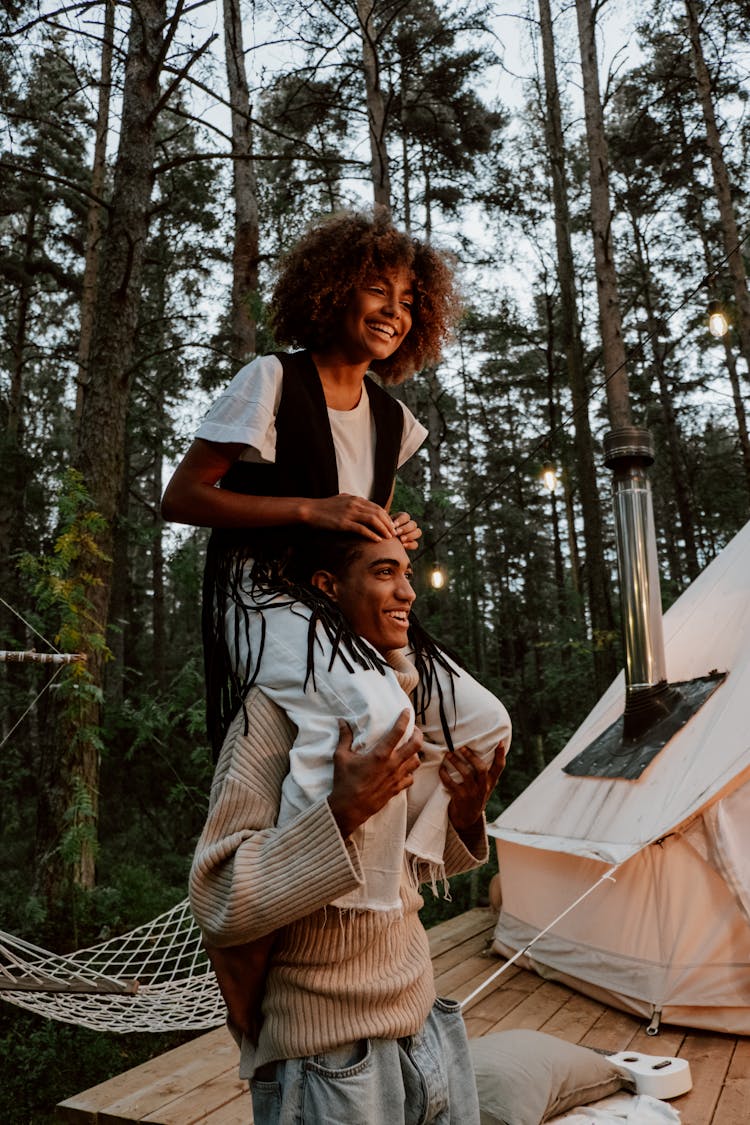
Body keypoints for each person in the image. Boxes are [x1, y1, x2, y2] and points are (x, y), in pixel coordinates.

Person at [189, 538, 507, 1124]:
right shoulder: (273, 714)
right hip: (328, 1054)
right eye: (385, 572)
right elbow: (220, 897)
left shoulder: (401, 703)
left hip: (425, 1022)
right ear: (327, 589)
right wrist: (341, 810)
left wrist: (463, 815)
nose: (408, 591)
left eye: (407, 573)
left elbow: (403, 868)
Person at [161, 208, 458, 760]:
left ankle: (412, 849)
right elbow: (180, 498)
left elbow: (359, 536)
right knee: (383, 719)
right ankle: (305, 844)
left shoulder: (393, 420)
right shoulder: (272, 378)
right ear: (335, 291)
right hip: (262, 592)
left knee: (480, 726)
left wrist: (389, 533)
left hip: (346, 598)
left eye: (409, 301)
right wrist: (309, 511)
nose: (395, 312)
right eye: (377, 290)